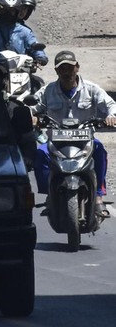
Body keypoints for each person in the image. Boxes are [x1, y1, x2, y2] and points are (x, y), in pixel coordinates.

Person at [33, 50, 116, 215]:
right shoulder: (47, 91)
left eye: (70, 68)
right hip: (56, 141)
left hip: (84, 140)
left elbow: (110, 104)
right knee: (40, 155)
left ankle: (98, 196)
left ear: (77, 67)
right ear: (56, 71)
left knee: (100, 151)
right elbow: (32, 106)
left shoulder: (91, 89)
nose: (66, 72)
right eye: (62, 68)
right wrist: (31, 116)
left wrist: (111, 116)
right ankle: (49, 194)